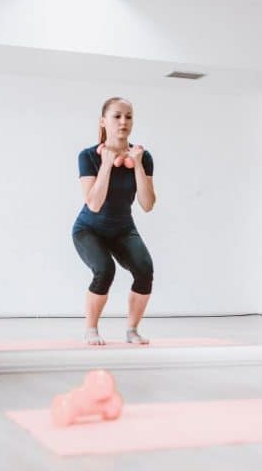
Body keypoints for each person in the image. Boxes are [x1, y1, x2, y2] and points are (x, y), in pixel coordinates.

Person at [73, 97, 156, 345]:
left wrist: (138, 165)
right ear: (103, 121)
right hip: (89, 229)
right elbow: (94, 204)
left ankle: (132, 330)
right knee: (104, 270)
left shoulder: (143, 156)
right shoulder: (88, 156)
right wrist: (107, 164)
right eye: (117, 116)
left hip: (122, 228)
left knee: (144, 270)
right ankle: (91, 329)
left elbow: (147, 204)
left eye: (128, 116)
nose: (123, 122)